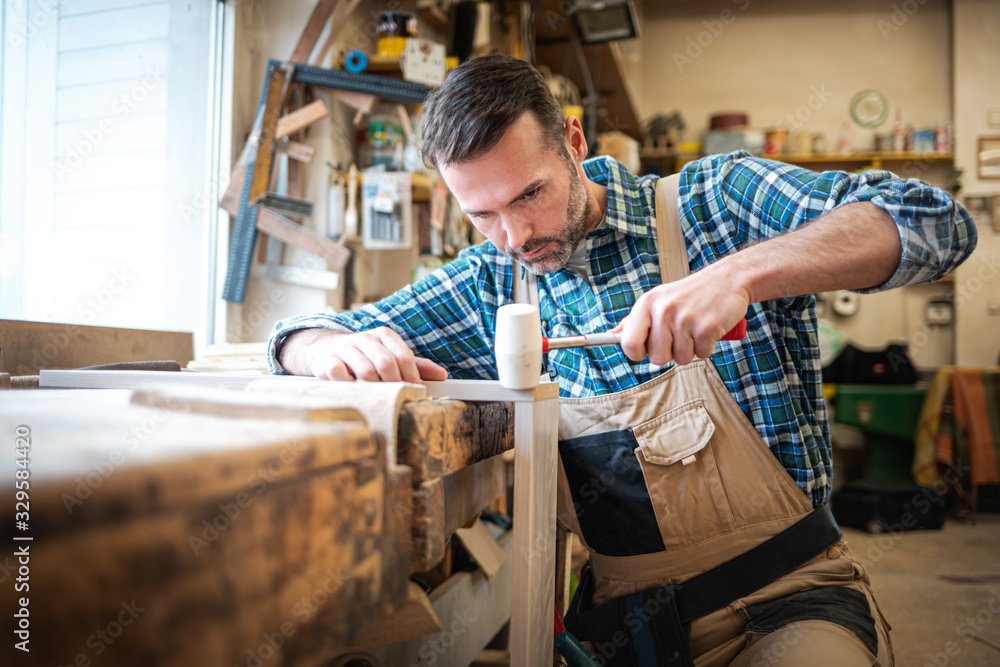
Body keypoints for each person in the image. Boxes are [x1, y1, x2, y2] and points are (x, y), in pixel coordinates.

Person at [268, 55, 977, 666]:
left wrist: (741, 275)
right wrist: (328, 347)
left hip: (791, 599)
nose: (514, 234)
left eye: (530, 194)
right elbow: (300, 333)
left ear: (572, 141)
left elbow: (935, 222)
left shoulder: (711, 206)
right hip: (628, 629)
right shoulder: (493, 280)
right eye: (481, 213)